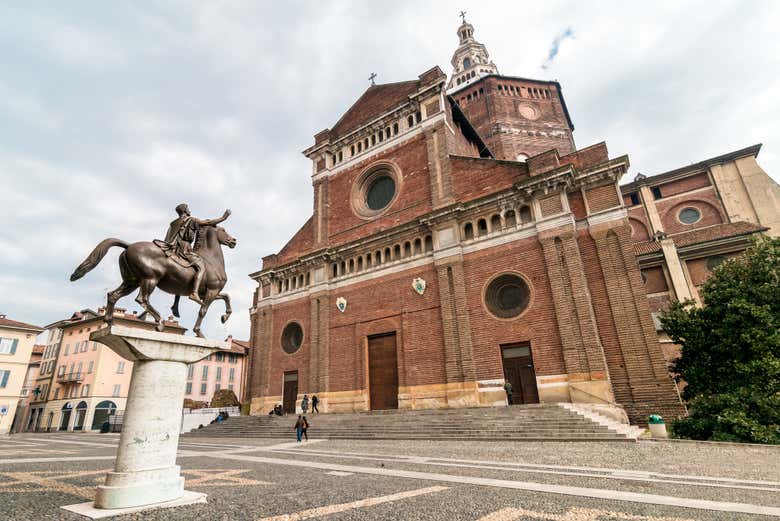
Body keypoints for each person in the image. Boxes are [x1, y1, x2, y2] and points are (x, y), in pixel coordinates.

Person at [160, 204, 231, 306]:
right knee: (201, 267)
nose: (190, 211)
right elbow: (208, 222)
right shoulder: (191, 219)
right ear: (185, 210)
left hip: (174, 248)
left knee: (182, 273)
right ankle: (194, 293)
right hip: (185, 249)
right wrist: (223, 218)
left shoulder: (174, 223)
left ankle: (176, 303)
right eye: (188, 209)